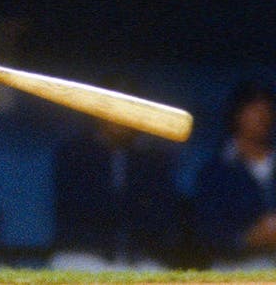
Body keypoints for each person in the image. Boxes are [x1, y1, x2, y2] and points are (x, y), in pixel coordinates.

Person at [50, 78, 189, 271]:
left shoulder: (153, 159)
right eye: (114, 106)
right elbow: (82, 210)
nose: (120, 116)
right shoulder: (75, 154)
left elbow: (160, 216)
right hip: (86, 254)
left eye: (129, 108)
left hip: (137, 258)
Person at [192, 78, 276, 269]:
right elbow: (205, 234)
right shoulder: (214, 173)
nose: (262, 116)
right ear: (237, 113)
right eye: (254, 108)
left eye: (267, 109)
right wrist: (250, 237)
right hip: (233, 270)